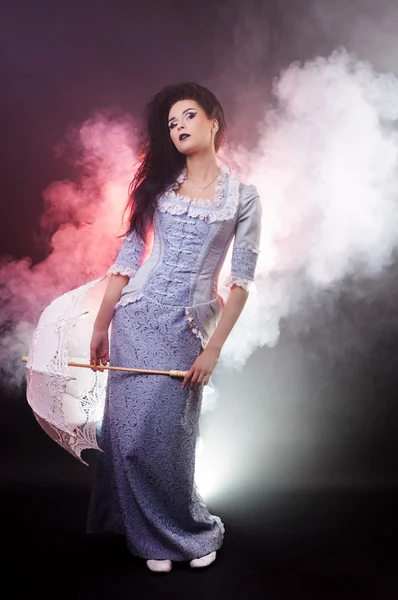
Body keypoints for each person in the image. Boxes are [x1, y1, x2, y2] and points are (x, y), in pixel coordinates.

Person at [87, 82, 262, 573]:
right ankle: (150, 541)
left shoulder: (243, 198)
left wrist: (213, 351)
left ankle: (187, 530)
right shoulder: (158, 189)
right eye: (171, 123)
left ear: (213, 122)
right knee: (127, 436)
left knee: (169, 436)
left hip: (186, 329)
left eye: (187, 116)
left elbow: (241, 282)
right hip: (135, 318)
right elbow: (127, 256)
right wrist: (102, 324)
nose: (179, 127)